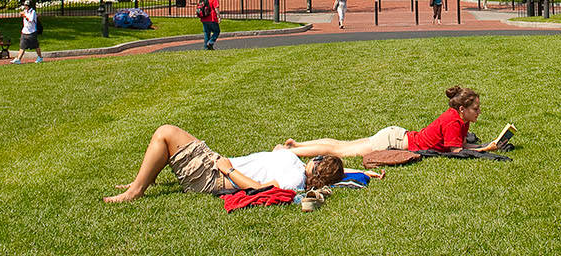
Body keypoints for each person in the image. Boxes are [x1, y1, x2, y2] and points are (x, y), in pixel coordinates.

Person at [104, 125, 344, 203]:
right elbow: (278, 152)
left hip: (216, 176)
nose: (318, 157)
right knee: (177, 137)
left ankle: (135, 191)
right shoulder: (295, 164)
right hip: (218, 164)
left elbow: (261, 190)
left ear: (318, 170)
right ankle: (144, 179)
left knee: (166, 133)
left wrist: (227, 168)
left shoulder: (295, 181)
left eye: (321, 160)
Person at [279, 86, 503, 158]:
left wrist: (488, 145)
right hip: (395, 141)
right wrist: (485, 149)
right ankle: (289, 152)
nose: (479, 112)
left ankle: (295, 145)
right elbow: (457, 151)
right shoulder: (455, 121)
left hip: (397, 135)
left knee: (342, 144)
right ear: (462, 109)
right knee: (340, 151)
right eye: (475, 109)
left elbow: (462, 146)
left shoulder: (460, 119)